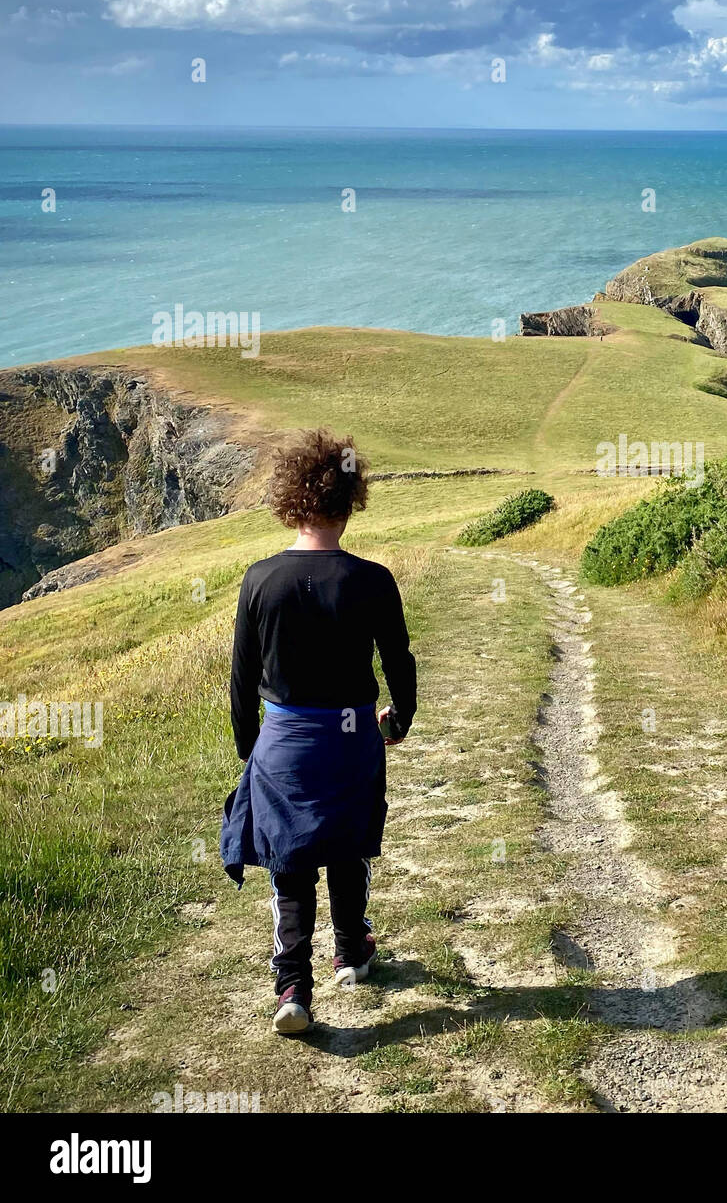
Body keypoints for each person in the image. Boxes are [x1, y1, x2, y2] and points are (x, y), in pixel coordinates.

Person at [219, 429, 417, 1035]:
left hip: (282, 742)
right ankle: (353, 954)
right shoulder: (373, 579)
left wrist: (252, 755)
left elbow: (241, 680)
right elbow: (399, 662)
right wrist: (399, 719)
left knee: (290, 860)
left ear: (291, 500)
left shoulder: (259, 580)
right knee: (348, 842)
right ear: (350, 499)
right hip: (353, 735)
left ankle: (292, 988)